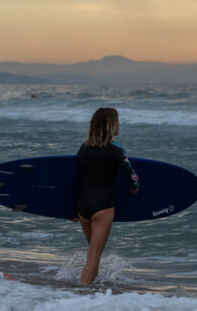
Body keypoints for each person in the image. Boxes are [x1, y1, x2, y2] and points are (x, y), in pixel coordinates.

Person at [75, 107, 140, 285]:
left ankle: (93, 289)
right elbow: (132, 176)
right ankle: (81, 294)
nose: (119, 125)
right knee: (93, 257)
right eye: (117, 121)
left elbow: (76, 178)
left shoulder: (83, 148)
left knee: (93, 253)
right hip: (102, 206)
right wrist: (135, 187)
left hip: (82, 206)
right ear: (111, 125)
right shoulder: (116, 149)